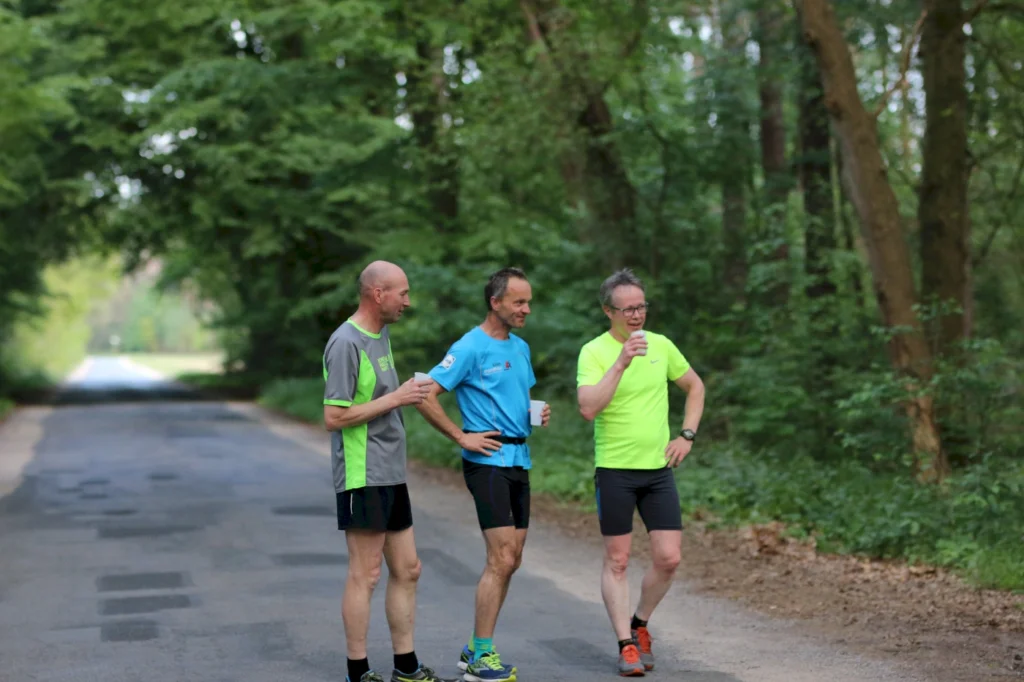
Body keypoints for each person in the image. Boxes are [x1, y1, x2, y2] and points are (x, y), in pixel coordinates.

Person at [323, 260, 458, 682]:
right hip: (363, 473)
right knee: (366, 574)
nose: (408, 301)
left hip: (390, 471)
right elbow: (334, 417)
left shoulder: (379, 335)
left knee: (409, 568)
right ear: (377, 293)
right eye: (402, 293)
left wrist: (405, 396)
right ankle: (358, 670)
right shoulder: (345, 343)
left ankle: (407, 667)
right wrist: (397, 398)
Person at [414, 267, 550, 682]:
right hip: (487, 462)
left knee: (513, 559)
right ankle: (482, 657)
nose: (526, 309)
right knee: (502, 558)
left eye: (528, 302)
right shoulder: (469, 347)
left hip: (519, 459)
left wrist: (535, 413)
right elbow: (425, 394)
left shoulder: (521, 347)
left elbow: (515, 396)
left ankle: (475, 647)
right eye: (519, 302)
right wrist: (461, 436)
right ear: (495, 302)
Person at [575, 268, 706, 677]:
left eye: (641, 307)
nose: (636, 315)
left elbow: (696, 387)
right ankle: (625, 645)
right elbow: (588, 408)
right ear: (608, 312)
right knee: (618, 561)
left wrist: (686, 435)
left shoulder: (661, 345)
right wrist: (621, 362)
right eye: (627, 309)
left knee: (669, 558)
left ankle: (640, 624)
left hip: (658, 471)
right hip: (615, 470)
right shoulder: (594, 352)